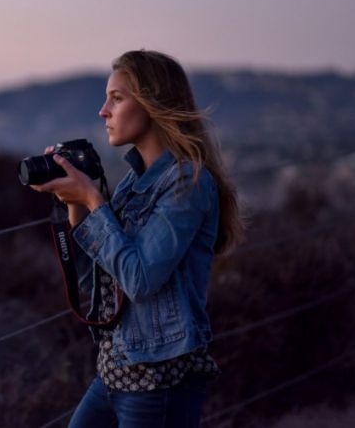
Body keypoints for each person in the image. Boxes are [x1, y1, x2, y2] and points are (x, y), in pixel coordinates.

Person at [31, 49, 244, 427]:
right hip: (115, 370)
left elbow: (140, 280)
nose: (103, 111)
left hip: (161, 379)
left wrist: (95, 200)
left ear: (153, 103)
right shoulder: (133, 184)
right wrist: (75, 206)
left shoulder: (187, 182)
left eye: (117, 98)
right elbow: (96, 286)